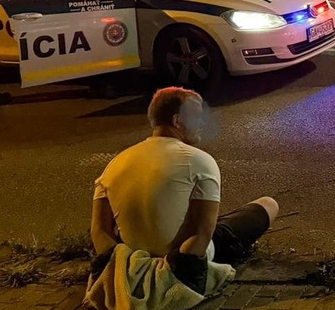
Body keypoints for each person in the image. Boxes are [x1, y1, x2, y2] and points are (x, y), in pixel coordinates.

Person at [90, 86, 279, 293]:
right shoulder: (198, 161)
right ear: (177, 121)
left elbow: (99, 231)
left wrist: (121, 267)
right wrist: (174, 272)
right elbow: (203, 232)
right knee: (268, 205)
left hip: (134, 256)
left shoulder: (115, 164)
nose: (202, 123)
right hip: (180, 259)